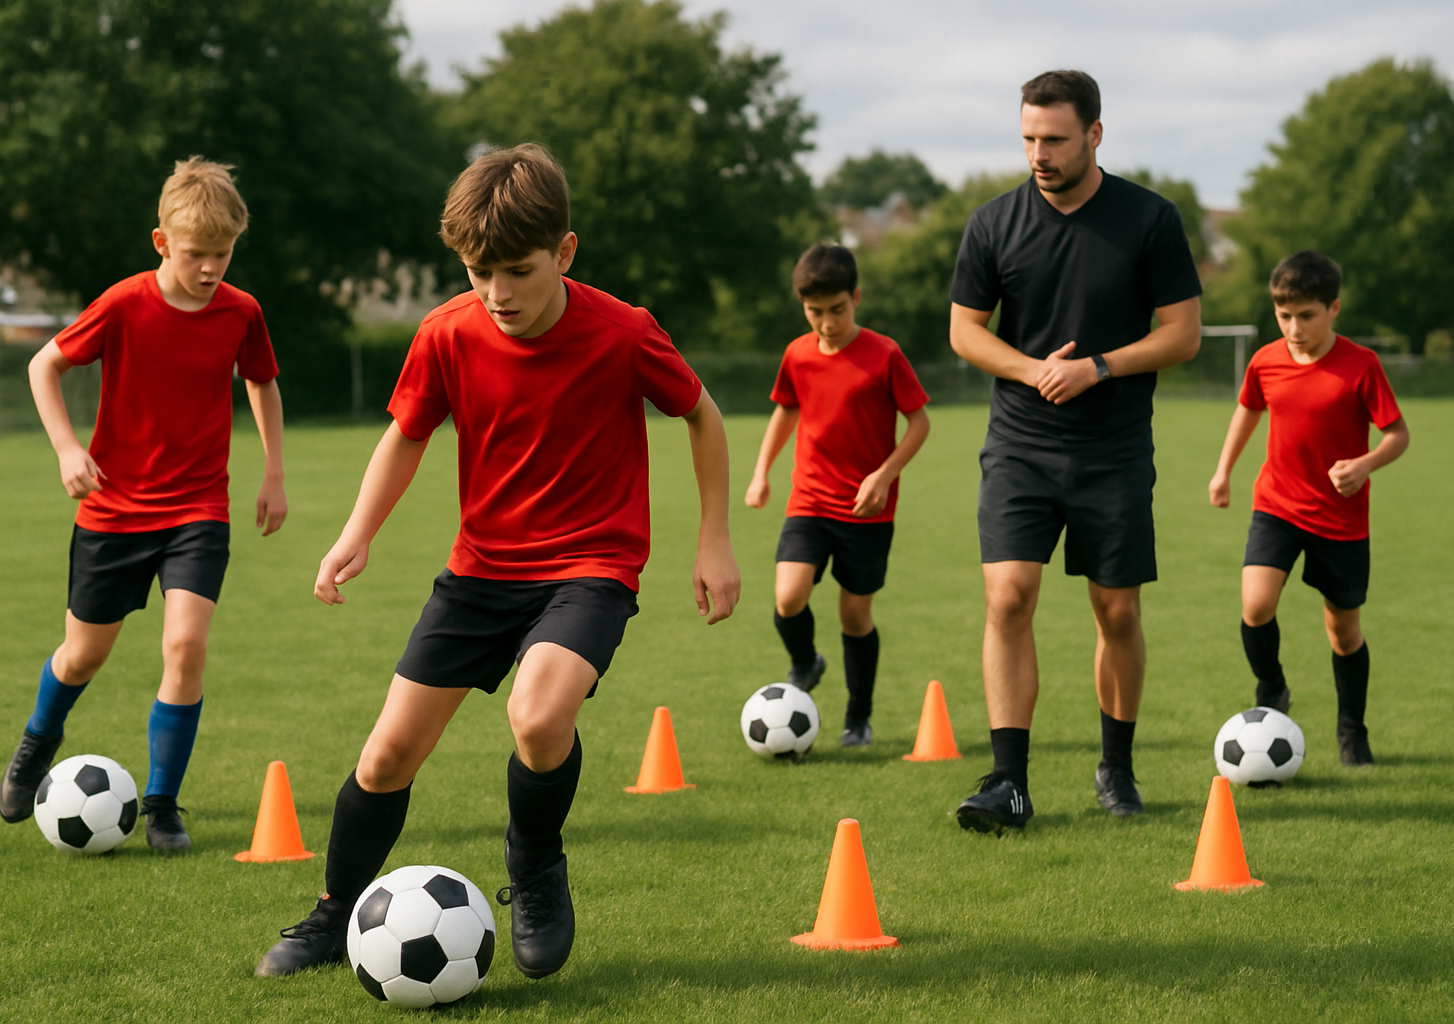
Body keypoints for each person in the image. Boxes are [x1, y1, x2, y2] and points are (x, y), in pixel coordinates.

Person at [255, 143, 739, 981]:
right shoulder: (447, 332)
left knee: (539, 716)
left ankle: (536, 866)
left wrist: (714, 537)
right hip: (480, 573)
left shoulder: (623, 332)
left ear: (566, 251)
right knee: (384, 759)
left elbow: (702, 416)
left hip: (591, 562)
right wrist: (355, 533)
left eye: (517, 270)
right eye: (479, 271)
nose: (497, 293)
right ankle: (333, 916)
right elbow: (406, 435)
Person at [0, 157, 287, 852]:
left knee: (185, 646)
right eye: (197, 255)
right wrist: (68, 448)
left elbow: (262, 382)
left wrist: (274, 471)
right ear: (161, 242)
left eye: (223, 254)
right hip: (114, 511)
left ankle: (161, 805)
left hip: (197, 510)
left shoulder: (242, 311)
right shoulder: (124, 303)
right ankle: (38, 739)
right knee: (81, 656)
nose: (212, 267)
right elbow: (46, 364)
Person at [947, 70, 1202, 833]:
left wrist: (1098, 366)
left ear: (1095, 133)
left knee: (1116, 610)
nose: (1039, 153)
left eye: (1054, 139)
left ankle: (1116, 767)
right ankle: (1008, 782)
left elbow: (1182, 334)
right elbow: (965, 330)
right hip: (1020, 446)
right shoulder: (993, 224)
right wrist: (1033, 370)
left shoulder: (1149, 219)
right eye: (1028, 138)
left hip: (1114, 449)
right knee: (1007, 598)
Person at [1209, 251, 1407, 766]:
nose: (1294, 328)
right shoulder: (1266, 361)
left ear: (1333, 308)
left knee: (1343, 631)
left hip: (1340, 519)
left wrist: (1365, 464)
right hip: (1276, 503)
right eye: (1284, 315)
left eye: (1306, 315)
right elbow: (1248, 411)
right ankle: (1272, 687)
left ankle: (1352, 733)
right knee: (1255, 606)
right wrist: (1223, 470)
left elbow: (1397, 434)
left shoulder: (1361, 365)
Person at [744, 244, 930, 747]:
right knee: (788, 597)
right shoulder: (797, 354)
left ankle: (857, 719)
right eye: (815, 312)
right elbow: (785, 410)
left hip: (868, 510)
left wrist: (885, 475)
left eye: (837, 310)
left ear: (857, 298)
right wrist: (761, 472)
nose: (826, 323)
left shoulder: (884, 354)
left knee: (855, 615)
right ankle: (806, 661)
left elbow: (919, 423)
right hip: (809, 499)